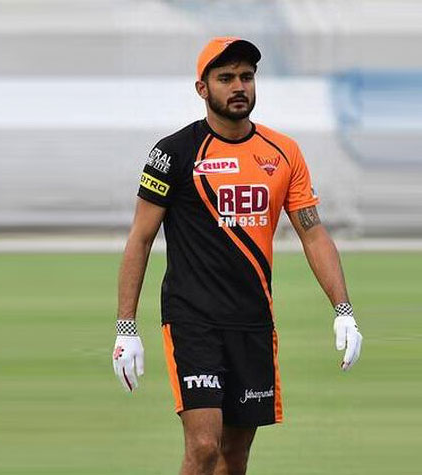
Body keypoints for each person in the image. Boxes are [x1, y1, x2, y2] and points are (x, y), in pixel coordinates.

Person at [112, 37, 363, 475]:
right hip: (193, 321)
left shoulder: (283, 153)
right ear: (202, 88)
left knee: (234, 454)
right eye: (225, 78)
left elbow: (313, 233)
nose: (238, 86)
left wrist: (343, 310)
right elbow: (140, 239)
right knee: (204, 446)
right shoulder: (173, 154)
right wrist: (126, 327)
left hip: (252, 321)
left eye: (246, 77)